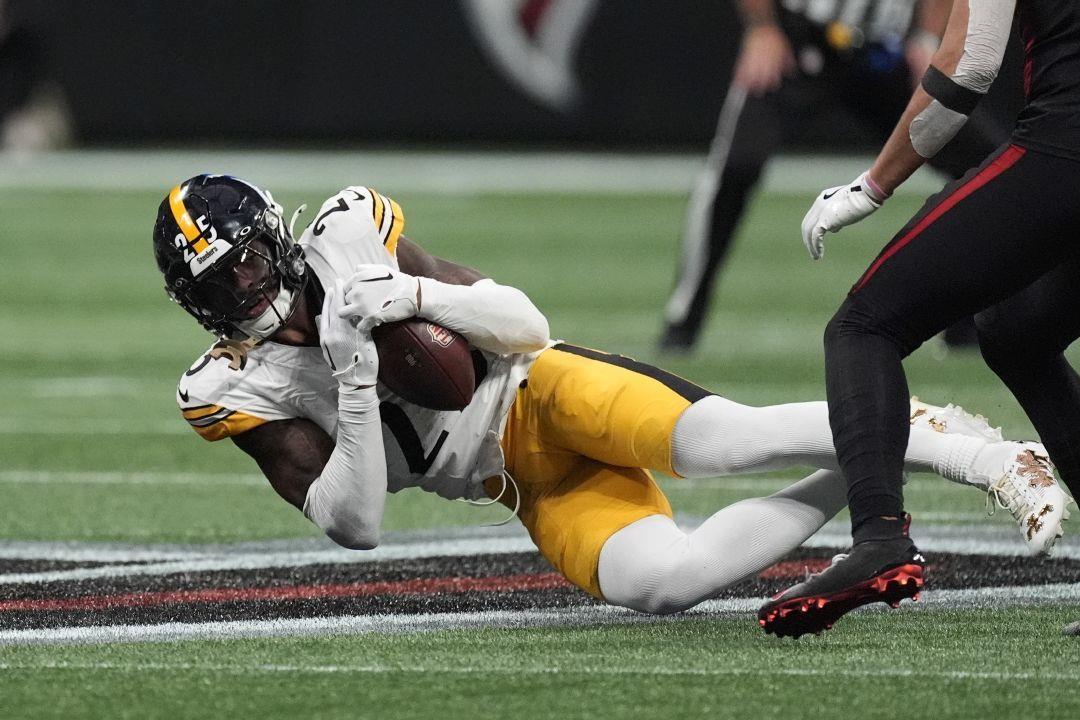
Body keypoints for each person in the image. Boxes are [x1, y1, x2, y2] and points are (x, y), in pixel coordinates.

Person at [153, 174, 1065, 617]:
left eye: (248, 263)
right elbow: (355, 525)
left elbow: (525, 325)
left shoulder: (351, 239)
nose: (243, 290)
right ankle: (896, 436)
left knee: (725, 443)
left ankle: (983, 455)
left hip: (539, 388)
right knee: (661, 585)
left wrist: (419, 295)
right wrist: (354, 376)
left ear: (276, 239)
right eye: (217, 285)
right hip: (513, 481)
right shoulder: (229, 386)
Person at [762, 0, 1080, 637]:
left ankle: (879, 539)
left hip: (1065, 147)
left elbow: (969, 64)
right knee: (1018, 334)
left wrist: (873, 184)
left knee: (864, 325)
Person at [659, 0, 1008, 353]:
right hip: (799, 39)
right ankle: (684, 315)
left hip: (885, 49)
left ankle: (966, 318)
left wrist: (927, 37)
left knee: (986, 165)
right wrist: (762, 27)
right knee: (735, 165)